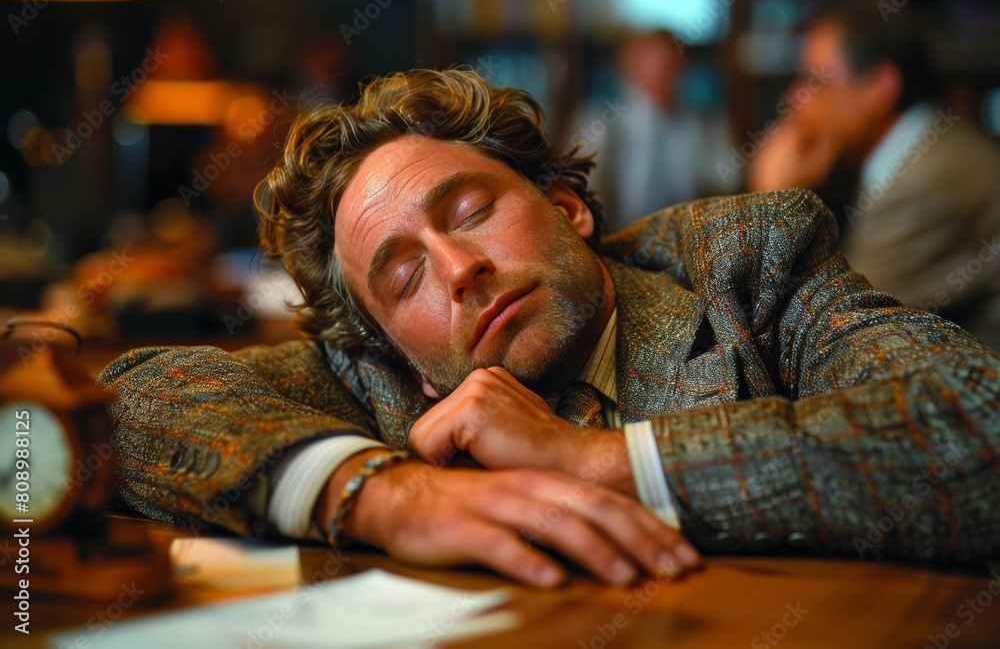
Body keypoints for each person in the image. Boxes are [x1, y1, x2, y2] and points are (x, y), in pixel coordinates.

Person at [101, 68, 1000, 590]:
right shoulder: (370, 378)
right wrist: (384, 495)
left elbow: (977, 428)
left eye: (470, 209)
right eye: (404, 275)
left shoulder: (752, 265)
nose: (458, 272)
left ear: (566, 207)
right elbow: (117, 402)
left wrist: (597, 462)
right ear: (392, 349)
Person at [749, 0, 1000, 351]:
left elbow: (830, 343)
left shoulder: (922, 188)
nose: (795, 100)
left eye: (815, 80)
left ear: (879, 86)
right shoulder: (931, 150)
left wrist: (774, 200)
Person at [583, 30, 734, 230]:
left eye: (674, 68)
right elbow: (586, 191)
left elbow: (729, 185)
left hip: (690, 241)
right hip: (617, 243)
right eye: (659, 67)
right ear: (629, 68)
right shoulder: (598, 122)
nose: (668, 78)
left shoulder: (707, 123)